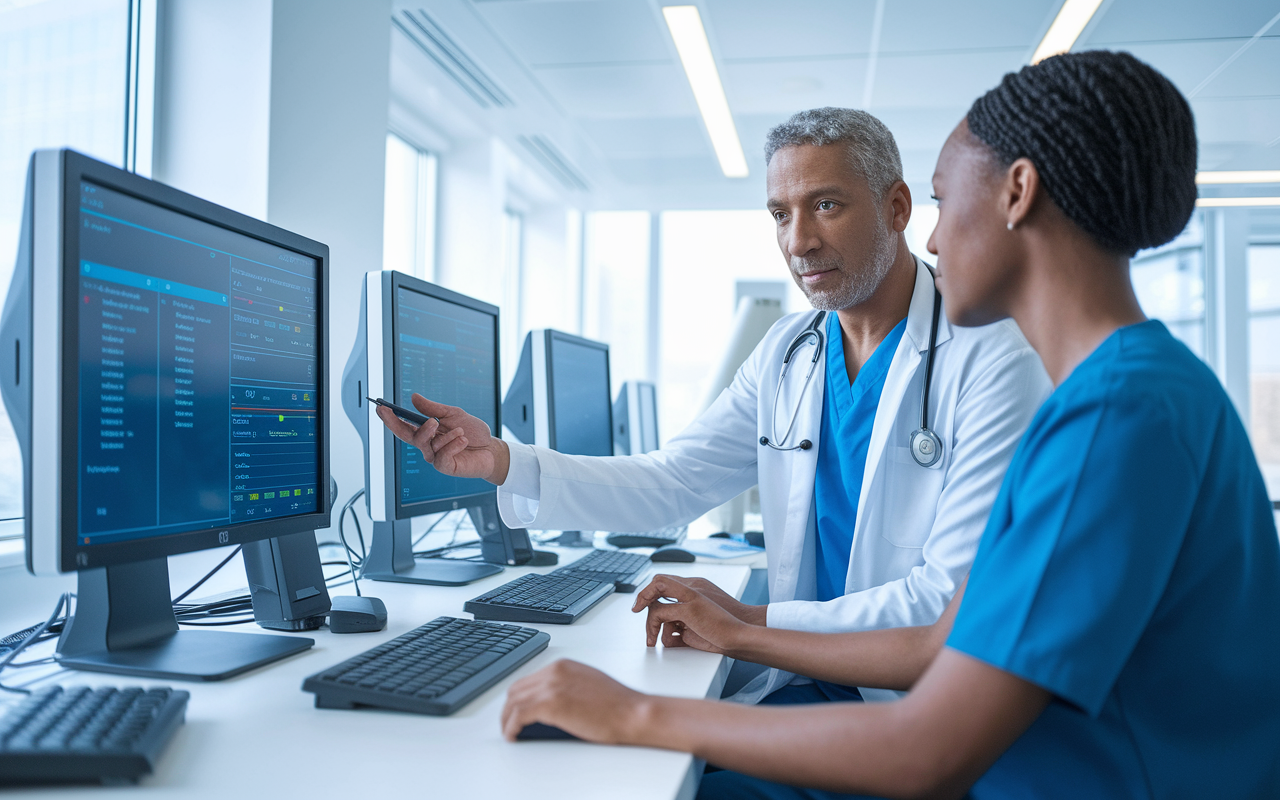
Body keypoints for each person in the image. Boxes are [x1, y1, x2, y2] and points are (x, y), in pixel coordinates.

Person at [498, 50, 1280, 799]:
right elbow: (944, 638)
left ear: (1017, 192)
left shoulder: (1115, 416)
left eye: (941, 199)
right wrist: (738, 626)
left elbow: (928, 751)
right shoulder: (1126, 391)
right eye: (780, 214)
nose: (934, 237)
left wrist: (637, 711)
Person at [378, 108, 1050, 706]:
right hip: (804, 680)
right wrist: (502, 461)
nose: (798, 242)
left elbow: (943, 605)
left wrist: (747, 626)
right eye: (780, 214)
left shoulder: (991, 359)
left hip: (911, 711)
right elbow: (673, 484)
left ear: (898, 207)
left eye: (826, 205)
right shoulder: (790, 350)